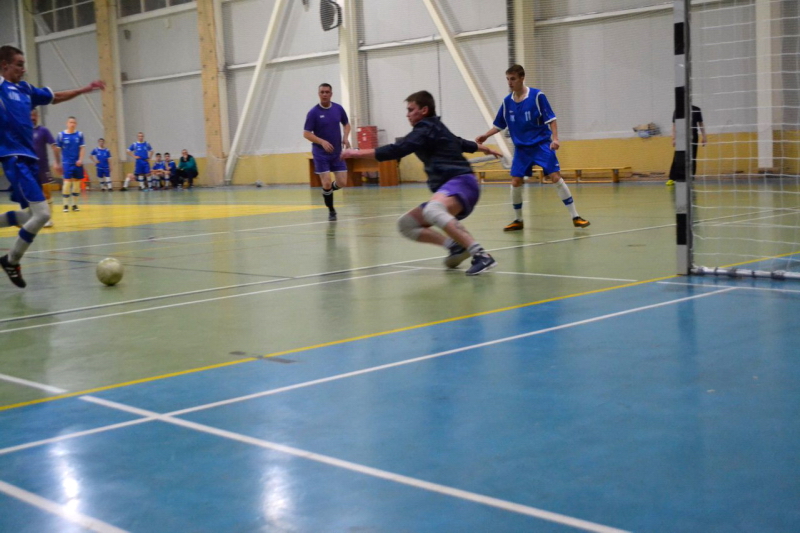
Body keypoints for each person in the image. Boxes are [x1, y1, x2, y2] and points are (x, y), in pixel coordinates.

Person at [342, 90, 502, 276]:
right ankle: (455, 247)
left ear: (424, 110)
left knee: (433, 210)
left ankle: (481, 255)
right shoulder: (435, 127)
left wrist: (355, 153)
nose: (407, 114)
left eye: (411, 110)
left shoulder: (424, 129)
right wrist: (483, 148)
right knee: (407, 224)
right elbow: (458, 142)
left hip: (461, 182)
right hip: (454, 186)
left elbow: (396, 150)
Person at [0, 45, 105, 288]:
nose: (23, 69)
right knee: (44, 214)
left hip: (29, 161)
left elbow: (55, 97)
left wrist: (84, 89)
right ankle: (11, 260)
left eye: (24, 64)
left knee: (30, 216)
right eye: (18, 64)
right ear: (4, 65)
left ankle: (11, 259)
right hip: (14, 158)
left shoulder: (26, 89)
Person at [476, 64, 590, 231]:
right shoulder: (507, 102)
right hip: (522, 149)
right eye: (508, 79)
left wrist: (555, 139)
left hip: (541, 145)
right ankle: (518, 220)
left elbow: (551, 119)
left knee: (555, 177)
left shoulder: (537, 96)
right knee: (515, 181)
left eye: (513, 79)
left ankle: (576, 216)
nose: (510, 82)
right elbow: (499, 124)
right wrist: (486, 136)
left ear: (522, 78)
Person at [303, 83, 351, 221]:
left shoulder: (338, 109)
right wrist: (322, 142)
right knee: (327, 182)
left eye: (327, 92)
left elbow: (346, 124)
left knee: (342, 182)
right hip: (321, 154)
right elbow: (306, 133)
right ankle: (331, 210)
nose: (324, 94)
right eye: (322, 92)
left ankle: (326, 191)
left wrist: (345, 137)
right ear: (319, 94)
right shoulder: (313, 113)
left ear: (331, 94)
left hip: (337, 153)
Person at [667, 105, 706, 186]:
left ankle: (690, 177)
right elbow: (674, 125)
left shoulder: (696, 109)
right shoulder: (678, 109)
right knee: (678, 157)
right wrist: (673, 138)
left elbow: (700, 123)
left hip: (693, 135)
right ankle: (672, 178)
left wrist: (704, 136)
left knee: (692, 157)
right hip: (681, 135)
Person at [31, 109, 58, 226]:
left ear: (38, 116)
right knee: (31, 193)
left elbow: (54, 146)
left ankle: (48, 218)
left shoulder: (44, 130)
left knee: (46, 193)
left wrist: (57, 162)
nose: (32, 118)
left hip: (43, 167)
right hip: (29, 167)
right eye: (30, 115)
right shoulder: (24, 131)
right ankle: (34, 217)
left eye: (34, 115)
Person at [54, 116, 85, 212]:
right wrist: (57, 162)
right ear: (67, 123)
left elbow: (82, 148)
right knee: (67, 183)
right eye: (70, 122)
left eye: (74, 123)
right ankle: (65, 205)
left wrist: (80, 159)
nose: (72, 124)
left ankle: (75, 205)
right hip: (67, 163)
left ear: (76, 124)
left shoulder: (79, 134)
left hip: (77, 163)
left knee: (76, 184)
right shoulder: (61, 135)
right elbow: (57, 150)